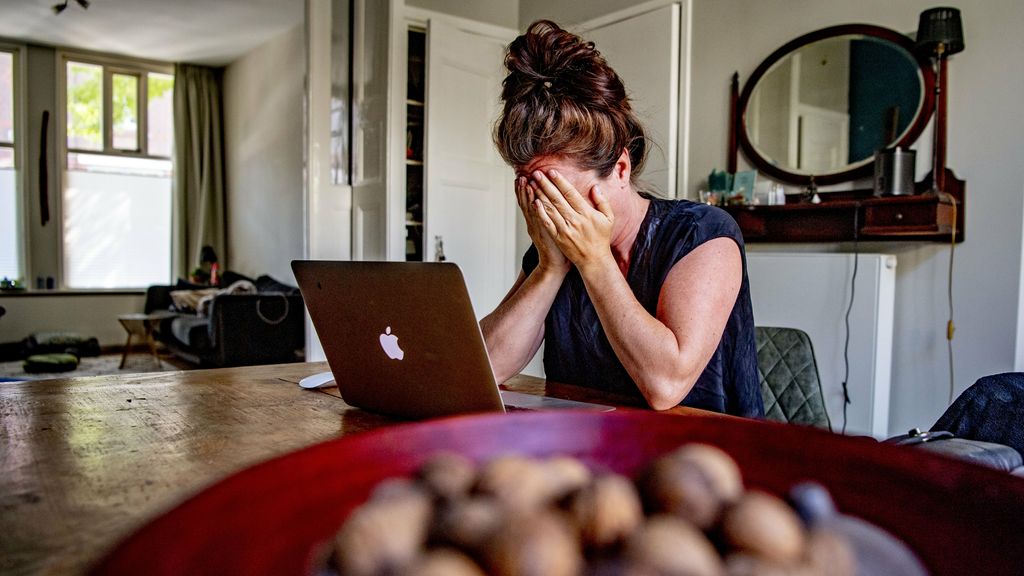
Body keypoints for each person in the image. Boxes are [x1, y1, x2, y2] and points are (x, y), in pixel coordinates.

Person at [479, 20, 763, 416]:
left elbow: (666, 386)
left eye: (563, 193)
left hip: (702, 458)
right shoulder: (554, 245)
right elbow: (487, 367)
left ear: (621, 169)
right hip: (587, 449)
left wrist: (594, 261)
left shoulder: (705, 234)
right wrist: (548, 268)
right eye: (535, 193)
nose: (552, 213)